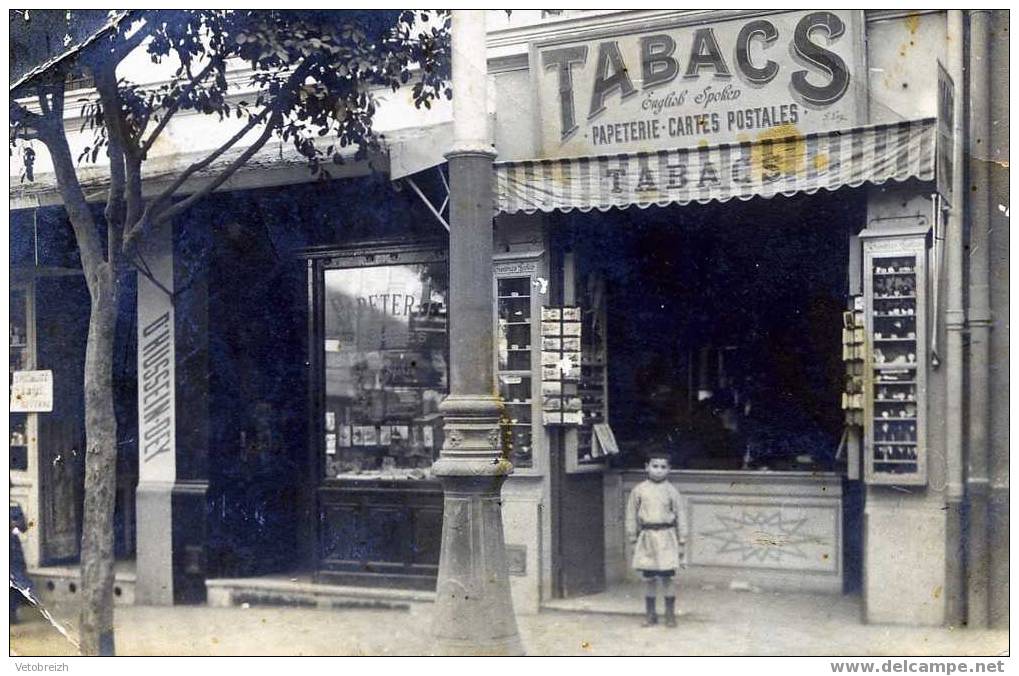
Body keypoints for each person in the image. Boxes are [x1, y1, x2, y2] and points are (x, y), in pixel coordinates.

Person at [625, 450, 688, 627]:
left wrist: (682, 540)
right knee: (649, 578)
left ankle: (670, 614)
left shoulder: (671, 491)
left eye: (663, 467)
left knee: (668, 577)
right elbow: (631, 515)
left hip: (667, 538)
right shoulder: (639, 490)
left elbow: (681, 516)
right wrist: (632, 538)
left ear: (669, 469)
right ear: (647, 467)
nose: (658, 470)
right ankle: (650, 614)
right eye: (655, 466)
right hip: (647, 539)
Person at [10, 500, 33, 624]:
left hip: (13, 550)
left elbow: (25, 527)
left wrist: (16, 524)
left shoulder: (15, 506)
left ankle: (13, 614)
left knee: (18, 580)